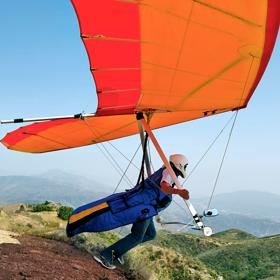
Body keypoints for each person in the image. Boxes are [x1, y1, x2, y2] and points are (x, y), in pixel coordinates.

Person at [94, 154, 189, 270]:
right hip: (145, 208)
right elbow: (164, 187)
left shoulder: (166, 171)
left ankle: (118, 251)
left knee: (150, 234)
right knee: (137, 237)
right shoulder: (169, 172)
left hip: (148, 208)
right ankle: (107, 255)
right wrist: (178, 192)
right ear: (179, 165)